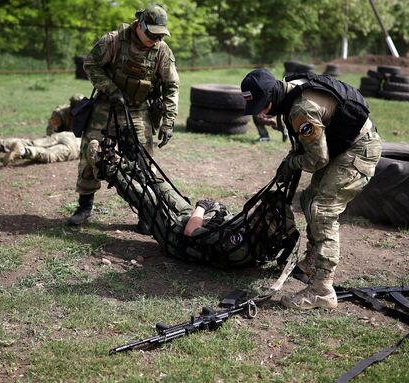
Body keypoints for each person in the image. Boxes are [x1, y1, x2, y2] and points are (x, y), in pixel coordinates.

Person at [240, 68, 382, 310]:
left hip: (358, 150)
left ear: (272, 98)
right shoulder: (290, 90)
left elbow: (317, 160)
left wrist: (291, 163)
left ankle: (322, 289)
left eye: (263, 106)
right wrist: (291, 160)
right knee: (308, 199)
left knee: (323, 210)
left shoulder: (300, 109)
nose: (262, 113)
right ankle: (314, 258)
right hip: (343, 147)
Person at [86, 139, 299, 268]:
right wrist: (216, 214)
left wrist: (203, 207)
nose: (258, 212)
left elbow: (190, 231)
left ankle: (105, 167)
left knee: (147, 198)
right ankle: (121, 162)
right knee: (163, 188)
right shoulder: (259, 240)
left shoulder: (239, 242)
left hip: (177, 237)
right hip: (196, 227)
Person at [69, 3, 180, 228]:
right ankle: (84, 207)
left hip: (139, 109)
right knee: (91, 154)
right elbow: (90, 65)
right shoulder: (114, 40)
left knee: (142, 163)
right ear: (140, 24)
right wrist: (111, 90)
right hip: (106, 107)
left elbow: (171, 86)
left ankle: (145, 212)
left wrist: (168, 122)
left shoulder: (161, 50)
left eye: (160, 35)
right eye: (151, 34)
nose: (155, 39)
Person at [0, 94, 84, 165]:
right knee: (50, 154)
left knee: (32, 142)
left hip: (61, 136)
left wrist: (51, 139)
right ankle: (22, 151)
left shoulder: (82, 114)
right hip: (76, 142)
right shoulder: (62, 113)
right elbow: (50, 129)